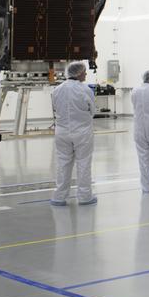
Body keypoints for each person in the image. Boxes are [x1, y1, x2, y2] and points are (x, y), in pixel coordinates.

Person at [51, 62, 97, 206]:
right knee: (83, 163)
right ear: (78, 73)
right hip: (82, 132)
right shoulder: (85, 90)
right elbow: (93, 111)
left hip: (62, 132)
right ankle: (84, 197)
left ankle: (59, 197)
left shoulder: (57, 90)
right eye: (84, 71)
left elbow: (55, 108)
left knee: (63, 163)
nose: (86, 74)